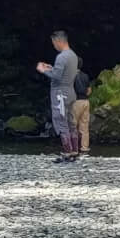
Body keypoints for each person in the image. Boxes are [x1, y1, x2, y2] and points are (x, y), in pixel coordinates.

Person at [37, 29, 80, 163]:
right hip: (71, 92)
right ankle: (74, 150)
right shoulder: (73, 55)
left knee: (61, 121)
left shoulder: (61, 57)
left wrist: (43, 70)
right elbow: (63, 73)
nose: (53, 46)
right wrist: (51, 68)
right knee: (71, 122)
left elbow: (57, 77)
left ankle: (67, 152)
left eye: (54, 43)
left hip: (61, 94)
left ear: (59, 41)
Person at [71, 63, 92, 158]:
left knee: (73, 126)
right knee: (84, 127)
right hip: (85, 102)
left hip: (76, 102)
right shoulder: (85, 75)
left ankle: (73, 149)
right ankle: (84, 148)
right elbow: (89, 90)